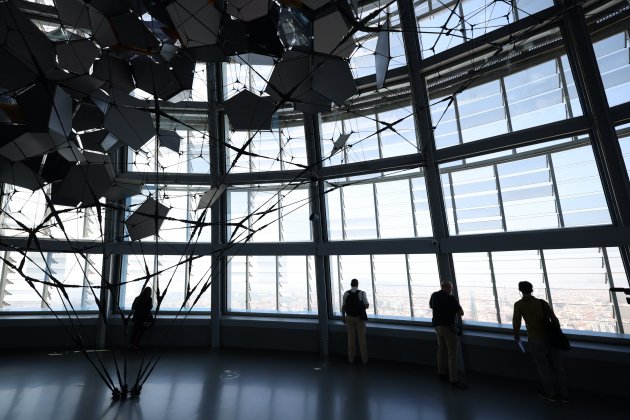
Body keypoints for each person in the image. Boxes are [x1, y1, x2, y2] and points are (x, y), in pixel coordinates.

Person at [513, 281, 568, 402]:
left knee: (543, 368)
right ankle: (564, 394)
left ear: (520, 291)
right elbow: (554, 320)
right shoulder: (542, 303)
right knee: (558, 367)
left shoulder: (519, 305)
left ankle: (551, 394)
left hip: (536, 340)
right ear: (532, 290)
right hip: (551, 339)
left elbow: (516, 322)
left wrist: (516, 334)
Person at [429, 280, 467, 389]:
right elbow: (461, 312)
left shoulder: (434, 295)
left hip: (437, 327)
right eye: (451, 288)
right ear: (448, 287)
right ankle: (453, 380)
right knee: (452, 354)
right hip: (448, 328)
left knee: (441, 350)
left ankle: (441, 373)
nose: (452, 290)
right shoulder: (450, 298)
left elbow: (431, 306)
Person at [341, 279, 369, 365]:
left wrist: (343, 317)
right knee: (361, 339)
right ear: (357, 284)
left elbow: (343, 307)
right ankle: (364, 360)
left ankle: (351, 359)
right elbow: (367, 305)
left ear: (351, 284)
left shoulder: (346, 294)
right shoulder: (362, 293)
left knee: (351, 338)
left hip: (349, 318)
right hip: (359, 318)